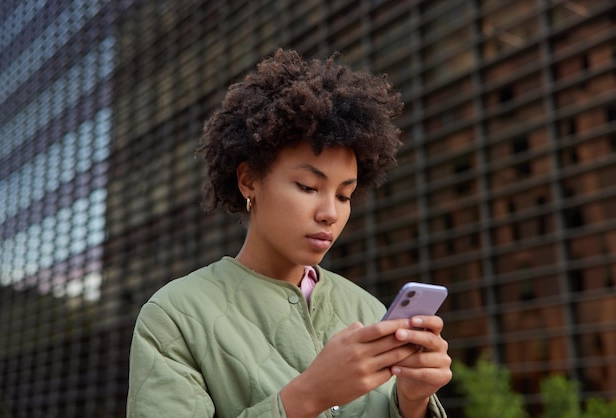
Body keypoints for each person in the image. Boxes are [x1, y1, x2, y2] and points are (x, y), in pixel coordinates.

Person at [127, 49, 452, 418]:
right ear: (249, 180)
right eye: (308, 187)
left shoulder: (369, 310)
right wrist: (307, 396)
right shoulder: (175, 315)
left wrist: (412, 402)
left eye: (344, 195)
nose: (330, 213)